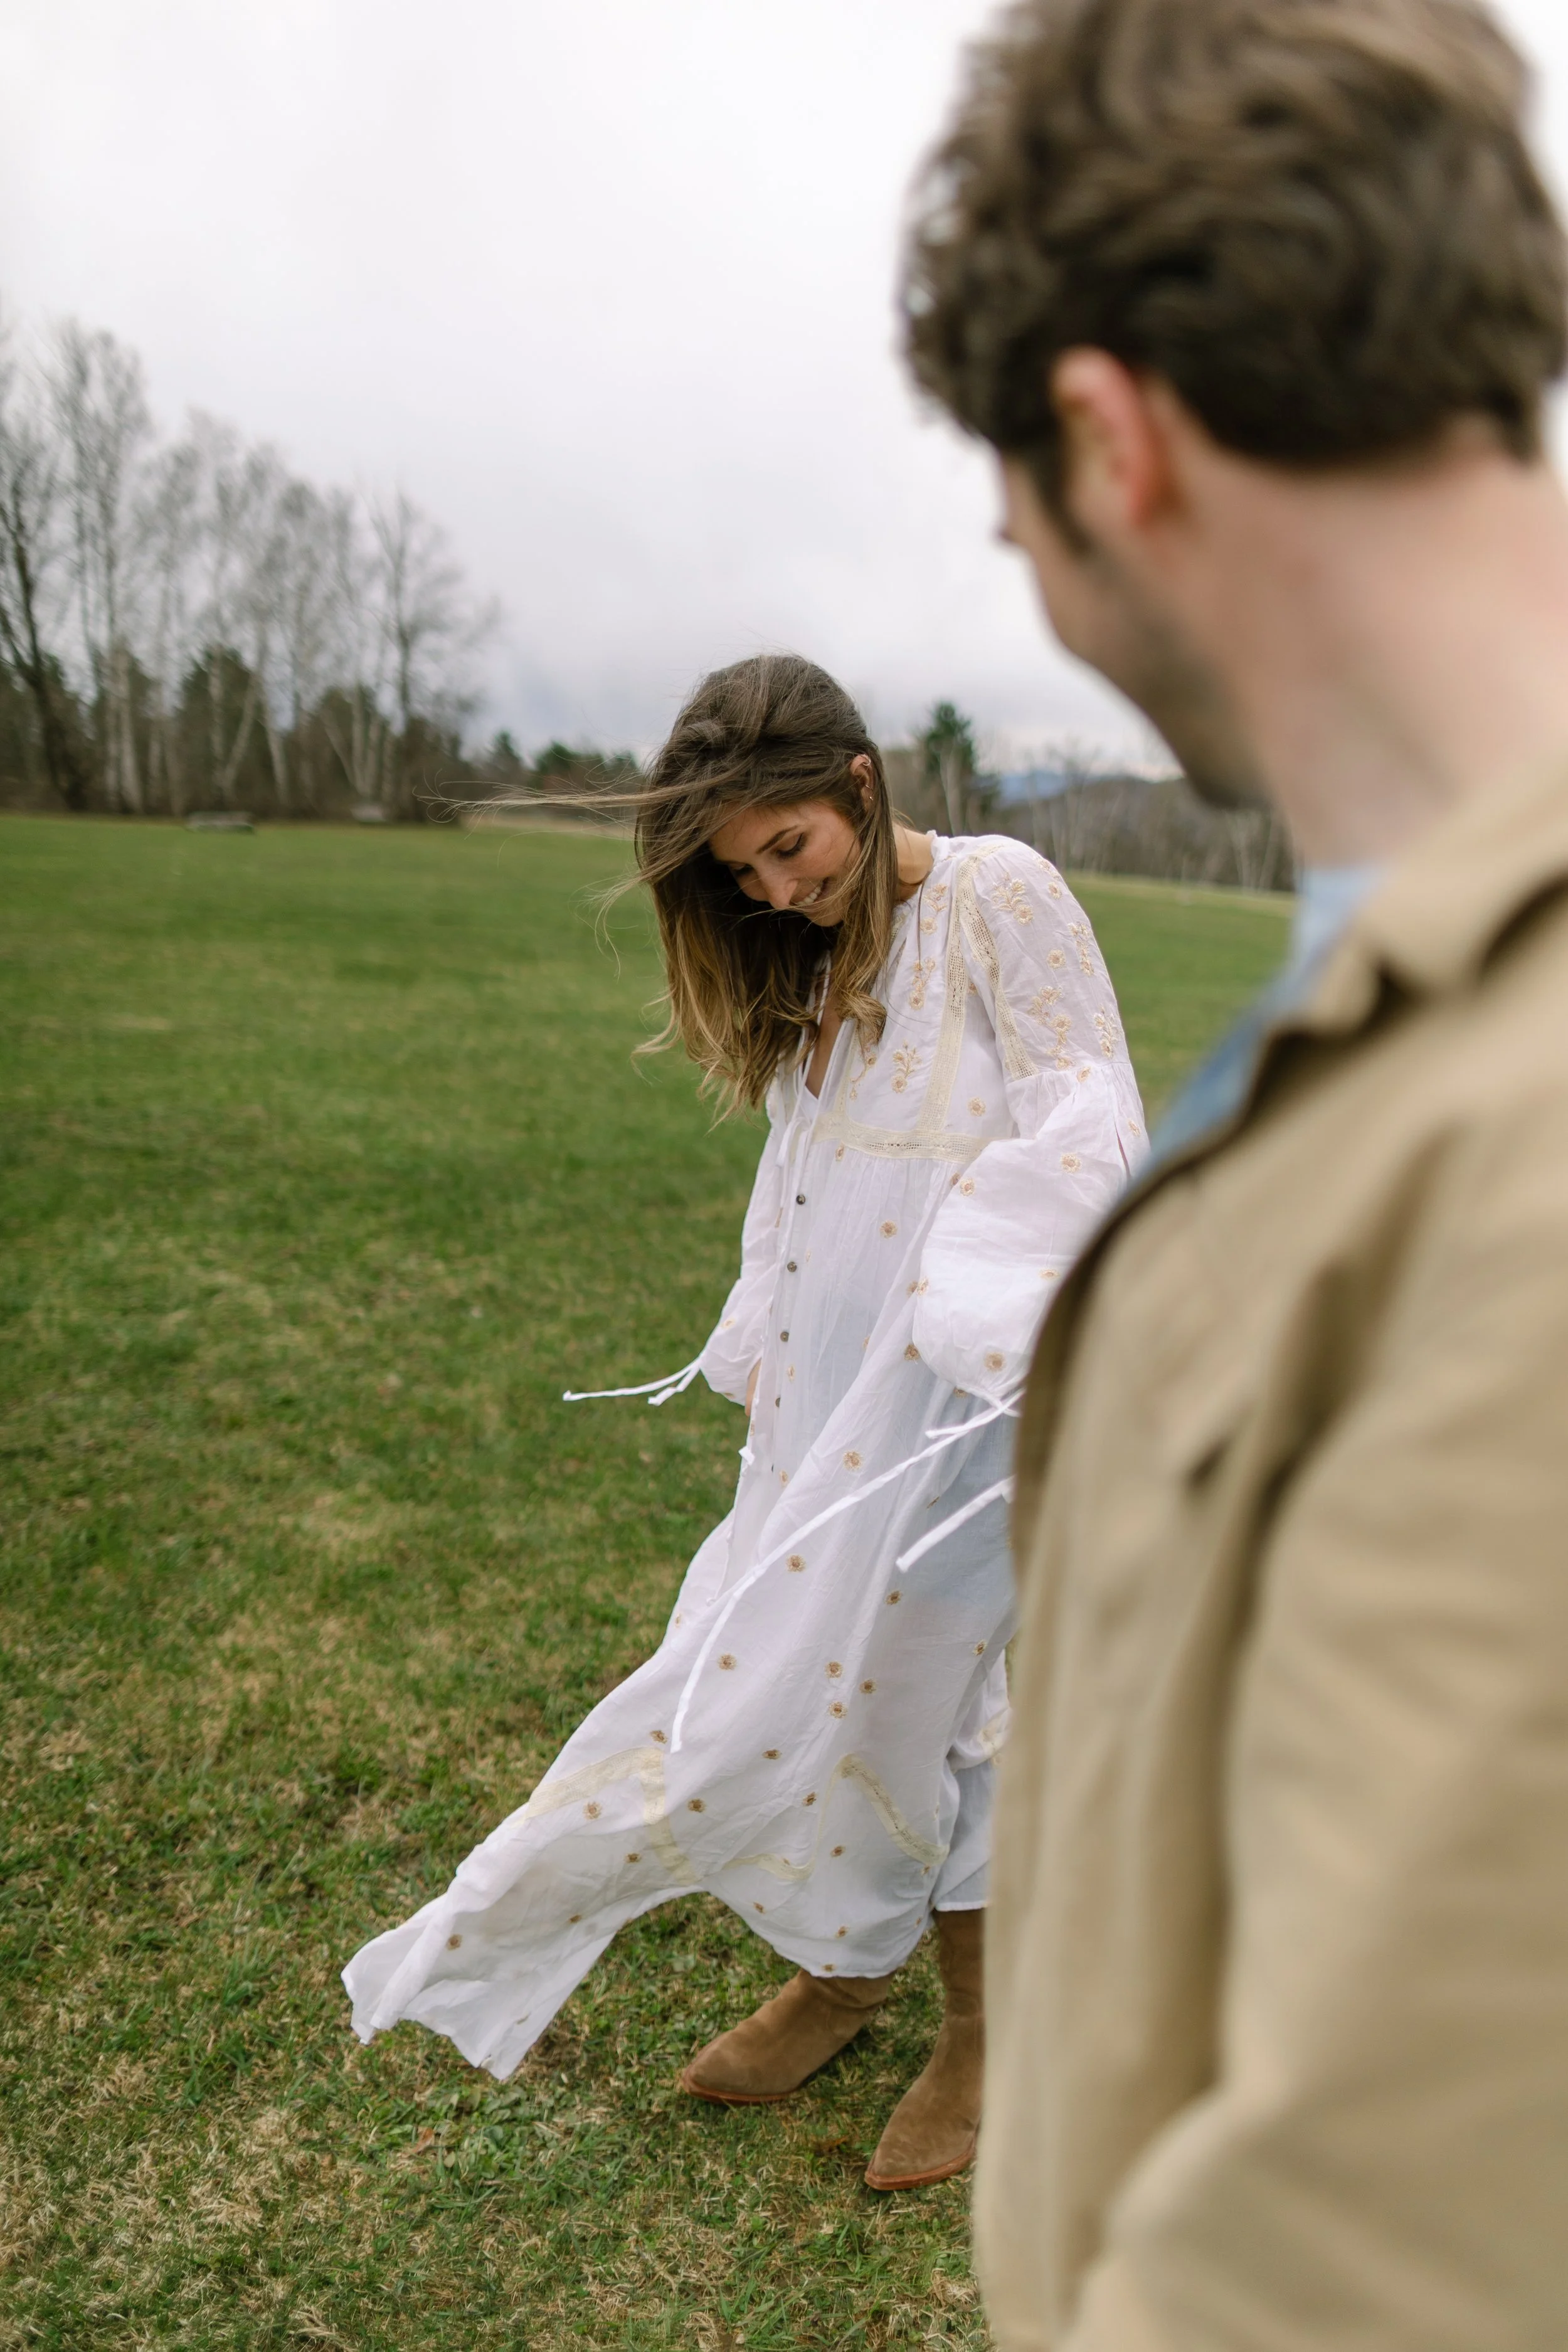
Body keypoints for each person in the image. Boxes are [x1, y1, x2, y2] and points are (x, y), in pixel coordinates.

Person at [900, 0, 1568, 2341]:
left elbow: (1381, 2265)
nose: (1044, 592)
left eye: (1020, 526)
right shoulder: (1398, 983)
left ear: (1113, 437)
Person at [343, 654, 1144, 2190]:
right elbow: (800, 1168)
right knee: (781, 1678)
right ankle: (842, 1970)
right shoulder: (810, 953)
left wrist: (986, 1317)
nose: (774, 891)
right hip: (824, 1403)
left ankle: (983, 2032)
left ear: (858, 783)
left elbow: (1085, 1118)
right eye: (741, 873)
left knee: (932, 1694)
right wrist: (768, 1343)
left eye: (791, 847)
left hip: (964, 1400)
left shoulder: (999, 894)